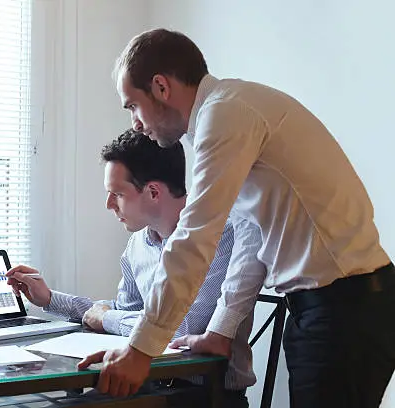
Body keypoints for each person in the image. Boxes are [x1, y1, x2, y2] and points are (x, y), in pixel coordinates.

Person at [79, 28, 395, 408]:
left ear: (161, 87)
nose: (135, 123)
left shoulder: (225, 115)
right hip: (332, 308)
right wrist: (220, 332)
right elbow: (250, 236)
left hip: (345, 310)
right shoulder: (227, 113)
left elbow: (195, 238)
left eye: (132, 105)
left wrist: (140, 350)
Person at [8, 130, 262, 407]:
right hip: (145, 383)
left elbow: (178, 329)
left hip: (204, 394)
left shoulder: (220, 234)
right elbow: (127, 313)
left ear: (153, 192)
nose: (108, 205)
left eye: (116, 194)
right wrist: (50, 299)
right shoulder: (137, 244)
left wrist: (106, 318)